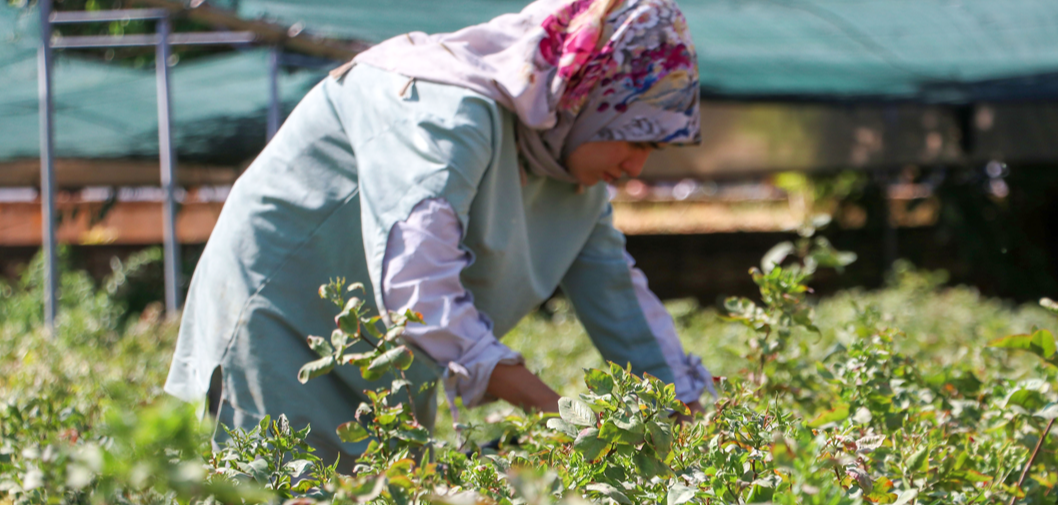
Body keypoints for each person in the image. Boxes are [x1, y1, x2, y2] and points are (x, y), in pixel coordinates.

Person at [164, 0, 713, 464]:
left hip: (386, 358)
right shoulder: (444, 109)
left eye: (654, 147)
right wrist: (565, 417)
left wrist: (692, 414)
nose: (637, 166)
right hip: (284, 322)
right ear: (587, 98)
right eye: (634, 138)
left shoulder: (573, 178)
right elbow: (420, 298)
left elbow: (621, 302)